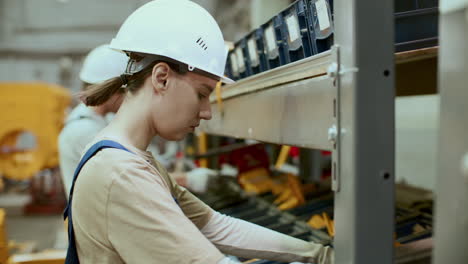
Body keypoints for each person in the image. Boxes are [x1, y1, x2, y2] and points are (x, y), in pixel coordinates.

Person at [64, 1, 334, 264]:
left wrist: (317, 254)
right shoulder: (121, 174)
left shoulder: (132, 159)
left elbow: (215, 227)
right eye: (202, 93)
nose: (207, 111)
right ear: (162, 78)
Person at [58, 44, 127, 199]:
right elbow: (123, 179)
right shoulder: (84, 130)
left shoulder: (99, 120)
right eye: (126, 93)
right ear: (112, 91)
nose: (128, 99)